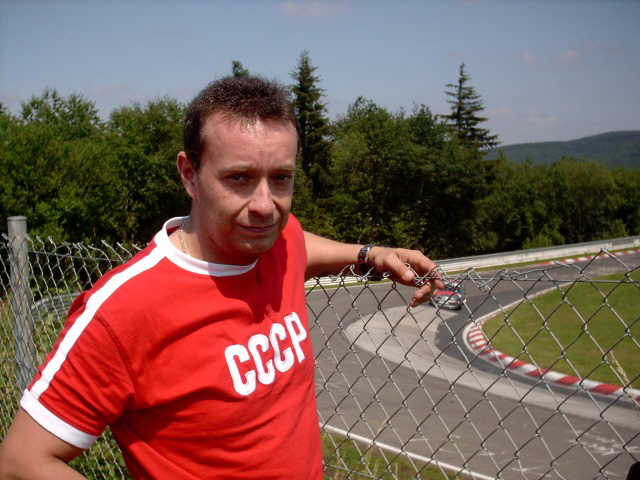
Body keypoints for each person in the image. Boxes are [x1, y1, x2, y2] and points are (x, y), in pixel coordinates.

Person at [0, 76, 442, 479]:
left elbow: (300, 243)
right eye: (239, 178)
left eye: (281, 178)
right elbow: (21, 460)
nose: (265, 205)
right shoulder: (123, 311)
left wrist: (369, 255)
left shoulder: (275, 239)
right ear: (190, 176)